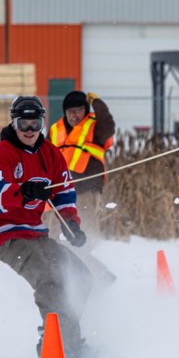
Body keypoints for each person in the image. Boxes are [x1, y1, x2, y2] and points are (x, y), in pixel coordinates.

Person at [0, 95, 97, 358]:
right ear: (14, 124)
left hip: (34, 232)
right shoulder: (1, 156)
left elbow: (63, 192)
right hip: (3, 235)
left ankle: (55, 337)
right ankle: (66, 350)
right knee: (50, 282)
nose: (29, 131)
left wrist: (71, 224)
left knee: (81, 277)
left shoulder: (50, 154)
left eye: (35, 124)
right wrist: (23, 191)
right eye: (23, 124)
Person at [48, 90, 116, 285]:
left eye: (78, 110)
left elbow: (109, 126)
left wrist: (97, 102)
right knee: (54, 241)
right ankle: (97, 277)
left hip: (85, 192)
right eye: (70, 111)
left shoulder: (95, 127)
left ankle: (92, 280)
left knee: (82, 239)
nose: (74, 115)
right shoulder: (54, 130)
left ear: (85, 110)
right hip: (59, 196)